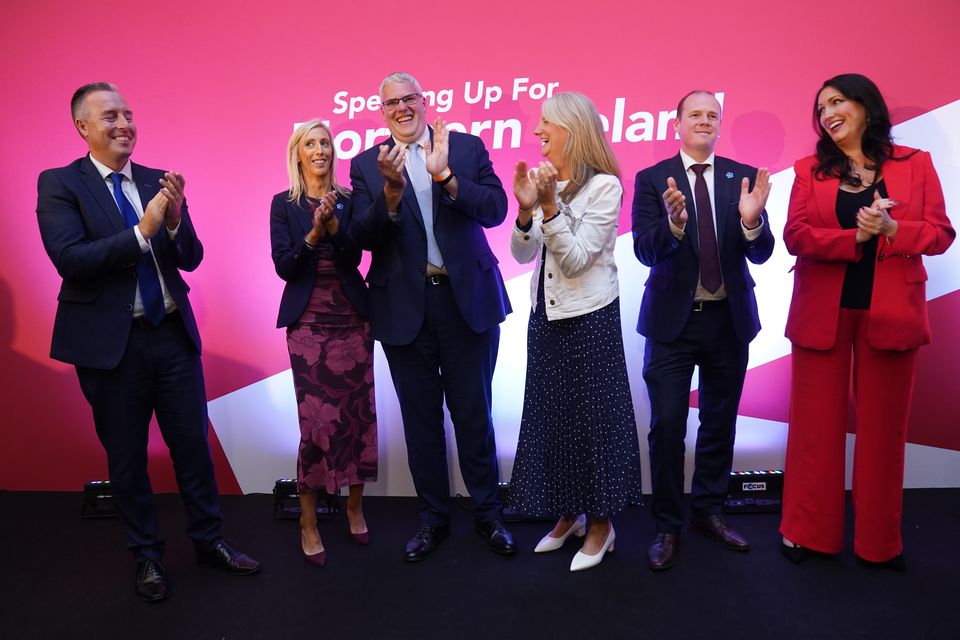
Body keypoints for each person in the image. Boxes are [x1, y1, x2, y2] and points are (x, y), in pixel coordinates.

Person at [35, 83, 260, 603]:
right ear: (83, 128)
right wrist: (142, 232)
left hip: (172, 336)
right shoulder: (59, 184)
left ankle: (209, 542)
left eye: (129, 114)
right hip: (113, 349)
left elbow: (191, 257)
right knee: (127, 458)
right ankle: (148, 557)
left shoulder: (160, 180)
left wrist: (176, 221)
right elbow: (71, 260)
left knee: (193, 448)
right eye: (109, 116)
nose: (123, 124)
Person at [780, 73, 955, 570]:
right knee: (815, 431)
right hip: (823, 315)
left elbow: (942, 233)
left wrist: (893, 228)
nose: (827, 113)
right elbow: (796, 235)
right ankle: (806, 533)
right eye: (820, 108)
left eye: (837, 101)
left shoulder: (915, 164)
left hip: (891, 313)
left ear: (865, 106)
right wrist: (854, 239)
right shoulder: (808, 170)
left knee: (884, 435)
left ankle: (880, 543)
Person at [348, 72, 515, 562]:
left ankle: (489, 516)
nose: (402, 108)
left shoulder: (464, 147)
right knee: (421, 424)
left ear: (424, 102)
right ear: (381, 112)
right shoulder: (365, 165)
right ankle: (432, 521)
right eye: (391, 103)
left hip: (466, 303)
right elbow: (362, 235)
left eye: (409, 99)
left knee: (473, 417)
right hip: (404, 310)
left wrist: (446, 177)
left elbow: (497, 209)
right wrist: (392, 195)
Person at [631, 90, 774, 571]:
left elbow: (762, 252)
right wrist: (673, 228)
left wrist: (752, 223)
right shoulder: (652, 179)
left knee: (719, 422)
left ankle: (709, 511)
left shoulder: (743, 178)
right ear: (676, 124)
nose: (705, 121)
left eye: (712, 115)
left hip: (728, 321)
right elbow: (644, 253)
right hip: (672, 323)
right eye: (695, 114)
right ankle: (667, 524)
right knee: (668, 427)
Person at [507, 92, 643, 572]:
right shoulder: (549, 182)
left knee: (593, 423)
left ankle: (602, 525)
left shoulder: (605, 186)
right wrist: (526, 212)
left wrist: (548, 208)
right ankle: (569, 514)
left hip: (590, 317)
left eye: (546, 123)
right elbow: (524, 256)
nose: (539, 131)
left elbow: (578, 257)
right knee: (554, 418)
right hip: (545, 316)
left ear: (571, 129)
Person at [270, 119, 377, 568]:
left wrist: (335, 227)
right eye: (311, 144)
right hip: (308, 328)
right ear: (298, 153)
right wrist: (314, 233)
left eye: (326, 143)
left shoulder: (350, 198)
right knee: (316, 425)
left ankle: (354, 506)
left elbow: (355, 257)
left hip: (352, 320)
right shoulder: (283, 204)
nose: (320, 150)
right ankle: (309, 521)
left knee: (357, 419)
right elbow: (284, 266)